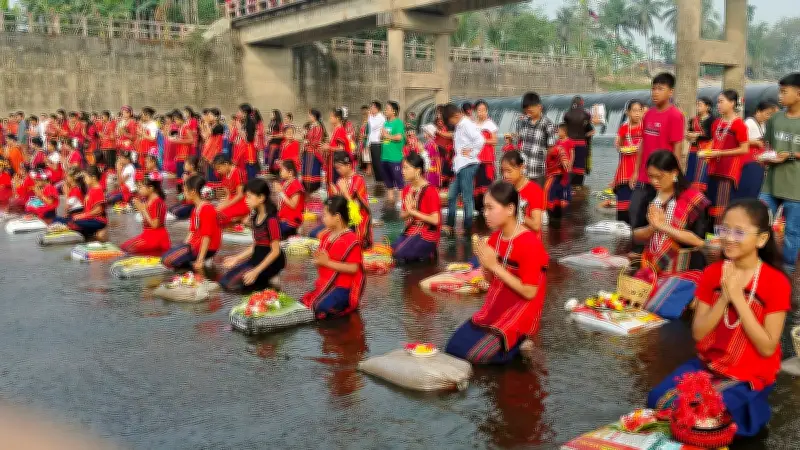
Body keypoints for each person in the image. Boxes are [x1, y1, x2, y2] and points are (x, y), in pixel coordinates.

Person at [647, 199, 789, 438]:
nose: (729, 238)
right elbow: (699, 333)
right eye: (725, 230)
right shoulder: (713, 273)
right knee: (658, 400)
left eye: (739, 232)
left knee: (706, 416)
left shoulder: (776, 282)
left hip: (749, 374)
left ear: (762, 239)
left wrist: (738, 297)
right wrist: (724, 297)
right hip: (711, 365)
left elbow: (767, 348)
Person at [445, 181, 548, 364]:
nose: (485, 213)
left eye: (490, 208)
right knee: (453, 348)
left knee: (477, 357)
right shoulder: (495, 238)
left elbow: (530, 292)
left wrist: (494, 266)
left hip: (519, 310)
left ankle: (520, 342)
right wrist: (485, 264)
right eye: (484, 208)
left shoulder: (530, 243)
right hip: (495, 307)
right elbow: (491, 280)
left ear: (510, 209)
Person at [632, 150, 709, 277]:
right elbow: (634, 235)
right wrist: (651, 229)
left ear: (674, 173)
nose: (654, 181)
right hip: (650, 265)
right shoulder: (649, 198)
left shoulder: (694, 200)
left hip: (684, 267)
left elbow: (700, 241)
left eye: (659, 177)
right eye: (650, 176)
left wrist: (663, 227)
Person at [630, 73, 686, 235]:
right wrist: (635, 170)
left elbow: (677, 148)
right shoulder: (648, 114)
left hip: (663, 177)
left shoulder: (675, 116)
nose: (655, 92)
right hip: (643, 175)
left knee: (658, 215)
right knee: (635, 211)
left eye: (660, 89)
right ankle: (637, 251)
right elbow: (643, 143)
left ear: (671, 92)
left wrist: (675, 177)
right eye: (653, 88)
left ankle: (652, 250)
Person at [759, 72, 800, 272]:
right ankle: (760, 265)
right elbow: (767, 146)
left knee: (793, 232)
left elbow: (788, 153)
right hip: (771, 183)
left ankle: (787, 273)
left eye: (784, 92)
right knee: (759, 221)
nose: (779, 96)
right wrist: (764, 156)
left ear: (798, 94)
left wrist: (791, 154)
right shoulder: (775, 118)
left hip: (796, 187)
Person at [301, 196, 365, 319]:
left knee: (320, 308)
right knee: (303, 303)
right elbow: (322, 259)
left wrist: (326, 262)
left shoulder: (351, 239)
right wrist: (318, 261)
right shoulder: (326, 236)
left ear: (337, 217)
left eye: (325, 215)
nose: (322, 218)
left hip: (343, 288)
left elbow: (353, 268)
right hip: (325, 284)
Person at [220, 178, 287, 293]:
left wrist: (256, 271)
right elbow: (256, 245)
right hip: (256, 258)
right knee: (224, 281)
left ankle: (270, 278)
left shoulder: (271, 220)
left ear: (261, 198)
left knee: (234, 286)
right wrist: (237, 258)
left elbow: (275, 251)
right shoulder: (255, 217)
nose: (246, 200)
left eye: (249, 197)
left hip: (272, 262)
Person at [705, 90, 750, 225]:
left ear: (732, 103)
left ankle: (720, 237)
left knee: (722, 205)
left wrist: (720, 153)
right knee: (711, 202)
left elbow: (744, 149)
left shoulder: (739, 124)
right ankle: (710, 236)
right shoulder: (716, 123)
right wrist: (708, 152)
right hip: (713, 168)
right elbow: (714, 142)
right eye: (717, 102)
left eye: (721, 101)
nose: (718, 105)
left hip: (728, 171)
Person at [162, 175, 221, 272]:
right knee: (167, 256)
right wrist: (183, 246)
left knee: (167, 260)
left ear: (193, 192)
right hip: (195, 245)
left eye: (185, 191)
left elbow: (207, 237)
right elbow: (192, 232)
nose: (184, 194)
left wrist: (200, 260)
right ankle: (189, 263)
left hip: (208, 248)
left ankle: (199, 263)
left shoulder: (207, 209)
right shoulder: (196, 209)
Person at [443, 103, 484, 235]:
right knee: (451, 195)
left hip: (468, 164)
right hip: (460, 165)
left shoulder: (467, 124)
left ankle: (468, 227)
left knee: (467, 198)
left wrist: (471, 153)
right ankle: (450, 224)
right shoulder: (460, 125)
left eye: (450, 121)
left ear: (455, 116)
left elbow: (480, 140)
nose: (451, 124)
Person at [393, 152, 441, 263]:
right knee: (391, 251)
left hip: (428, 234)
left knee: (400, 255)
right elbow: (402, 215)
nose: (402, 171)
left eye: (406, 168)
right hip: (411, 230)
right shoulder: (406, 190)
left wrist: (413, 212)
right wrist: (409, 212)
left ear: (418, 171)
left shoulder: (431, 190)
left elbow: (435, 220)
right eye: (402, 168)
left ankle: (430, 253)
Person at [121, 173, 171, 255]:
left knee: (129, 249)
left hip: (157, 238)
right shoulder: (147, 200)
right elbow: (147, 219)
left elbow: (155, 225)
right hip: (147, 235)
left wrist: (143, 210)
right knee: (124, 247)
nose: (138, 190)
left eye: (140, 187)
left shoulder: (157, 202)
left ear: (151, 188)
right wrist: (140, 208)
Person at [330, 151, 372, 249]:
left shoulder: (358, 180)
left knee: (342, 245)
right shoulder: (341, 180)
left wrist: (344, 192)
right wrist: (336, 195)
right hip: (344, 220)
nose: (338, 170)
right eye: (336, 168)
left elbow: (357, 210)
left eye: (339, 167)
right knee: (317, 234)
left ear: (349, 165)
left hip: (357, 222)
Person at [514, 92, 556, 187]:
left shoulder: (547, 124)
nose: (528, 111)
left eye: (530, 109)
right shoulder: (523, 122)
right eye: (526, 109)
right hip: (522, 171)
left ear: (539, 107)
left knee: (537, 199)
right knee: (522, 200)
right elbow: (520, 142)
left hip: (538, 172)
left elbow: (551, 148)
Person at [55, 166, 107, 241]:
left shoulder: (98, 190)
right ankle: (90, 235)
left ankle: (96, 232)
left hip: (98, 221)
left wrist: (82, 215)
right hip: (90, 219)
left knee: (74, 221)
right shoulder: (91, 189)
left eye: (86, 177)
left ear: (93, 178)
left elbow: (99, 210)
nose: (84, 179)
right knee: (67, 220)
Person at [741, 101, 779, 200]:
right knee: (750, 186)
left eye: (771, 115)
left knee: (756, 186)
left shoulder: (763, 124)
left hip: (758, 160)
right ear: (758, 111)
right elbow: (741, 141)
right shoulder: (749, 122)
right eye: (767, 114)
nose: (768, 117)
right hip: (749, 161)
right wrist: (756, 142)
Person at [613, 100, 644, 223]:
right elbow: (618, 145)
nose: (637, 114)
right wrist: (620, 146)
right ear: (628, 112)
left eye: (639, 111)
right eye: (634, 111)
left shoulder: (646, 127)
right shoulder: (624, 128)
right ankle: (622, 229)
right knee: (623, 201)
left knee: (638, 202)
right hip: (625, 167)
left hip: (640, 166)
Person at [501, 150, 544, 234]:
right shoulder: (506, 188)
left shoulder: (534, 190)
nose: (505, 175)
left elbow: (536, 225)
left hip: (528, 242)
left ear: (521, 167)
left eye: (509, 171)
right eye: (503, 171)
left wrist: (518, 214)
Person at [563, 96, 594, 187]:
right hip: (581, 144)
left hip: (568, 143)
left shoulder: (566, 114)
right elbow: (590, 129)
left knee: (568, 166)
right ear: (582, 103)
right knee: (580, 168)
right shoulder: (586, 115)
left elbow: (565, 127)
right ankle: (578, 187)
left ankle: (568, 186)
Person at [544, 123, 574, 218]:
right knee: (558, 185)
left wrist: (570, 163)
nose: (558, 132)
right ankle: (558, 202)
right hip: (557, 168)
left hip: (564, 166)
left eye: (559, 131)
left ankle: (566, 199)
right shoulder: (557, 142)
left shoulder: (568, 142)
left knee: (565, 183)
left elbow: (571, 154)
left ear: (564, 132)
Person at [686, 97, 715, 192]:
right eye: (697, 105)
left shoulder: (712, 120)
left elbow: (710, 136)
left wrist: (697, 135)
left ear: (707, 107)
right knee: (691, 173)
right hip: (693, 150)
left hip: (705, 150)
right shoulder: (693, 120)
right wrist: (692, 135)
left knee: (702, 176)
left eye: (700, 105)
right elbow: (688, 134)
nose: (697, 107)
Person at [474, 100, 498, 212]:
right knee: (476, 184)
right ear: (476, 112)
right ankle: (478, 208)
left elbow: (494, 141)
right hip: (475, 158)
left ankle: (488, 207)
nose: (482, 113)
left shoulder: (490, 124)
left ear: (487, 111)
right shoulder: (473, 124)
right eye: (479, 110)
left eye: (484, 110)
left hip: (486, 159)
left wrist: (482, 140)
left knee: (486, 184)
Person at [381, 101, 406, 204]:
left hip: (395, 157)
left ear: (394, 111)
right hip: (385, 157)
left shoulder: (398, 123)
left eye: (387, 109)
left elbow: (399, 137)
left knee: (399, 180)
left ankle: (401, 202)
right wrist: (382, 136)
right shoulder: (386, 123)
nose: (385, 110)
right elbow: (384, 137)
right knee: (388, 182)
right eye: (385, 108)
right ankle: (390, 202)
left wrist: (387, 136)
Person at [275, 159, 305, 239]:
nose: (280, 172)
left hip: (291, 221)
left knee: (274, 232)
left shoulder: (296, 185)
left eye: (282, 170)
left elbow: (293, 205)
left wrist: (281, 192)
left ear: (290, 172)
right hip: (282, 218)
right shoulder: (284, 183)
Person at [324, 108, 353, 191]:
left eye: (332, 116)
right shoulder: (336, 130)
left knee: (336, 184)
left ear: (338, 118)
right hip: (334, 161)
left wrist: (328, 147)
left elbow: (341, 148)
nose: (330, 118)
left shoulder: (340, 130)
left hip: (338, 162)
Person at [302, 109, 325, 193]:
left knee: (313, 170)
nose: (309, 117)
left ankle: (313, 187)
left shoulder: (318, 127)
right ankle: (307, 187)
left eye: (310, 115)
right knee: (307, 170)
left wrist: (308, 141)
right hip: (308, 151)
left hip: (314, 153)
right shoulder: (311, 126)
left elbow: (317, 141)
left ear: (314, 116)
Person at [170, 155, 199, 220]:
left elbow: (191, 193)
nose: (183, 166)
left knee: (177, 212)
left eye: (185, 164)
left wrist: (186, 181)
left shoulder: (196, 177)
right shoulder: (187, 175)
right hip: (186, 202)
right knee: (171, 209)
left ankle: (192, 212)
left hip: (193, 204)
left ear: (192, 166)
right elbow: (181, 195)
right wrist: (179, 197)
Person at [434, 105, 455, 189]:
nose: (438, 115)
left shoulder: (450, 123)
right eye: (437, 113)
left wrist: (439, 132)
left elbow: (453, 135)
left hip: (448, 153)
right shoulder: (436, 123)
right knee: (439, 176)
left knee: (447, 176)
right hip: (438, 152)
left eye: (440, 113)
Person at [170, 111, 195, 179]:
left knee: (182, 177)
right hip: (180, 156)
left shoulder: (186, 128)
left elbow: (191, 140)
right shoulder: (180, 128)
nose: (174, 123)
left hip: (184, 157)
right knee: (179, 177)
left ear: (179, 119)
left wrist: (177, 141)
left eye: (175, 121)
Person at [367, 101, 386, 183]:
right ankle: (378, 180)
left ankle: (382, 179)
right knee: (374, 163)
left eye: (372, 107)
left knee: (378, 163)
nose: (371, 109)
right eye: (371, 107)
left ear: (377, 108)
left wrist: (369, 116)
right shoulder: (372, 117)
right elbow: (370, 131)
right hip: (372, 142)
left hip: (378, 143)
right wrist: (368, 143)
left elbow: (373, 126)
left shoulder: (381, 118)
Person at [421, 124, 442, 189]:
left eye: (425, 132)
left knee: (430, 183)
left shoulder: (431, 144)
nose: (423, 133)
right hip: (430, 165)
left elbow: (428, 156)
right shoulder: (428, 143)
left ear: (429, 134)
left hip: (431, 166)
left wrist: (421, 151)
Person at [265, 109, 284, 176]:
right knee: (268, 157)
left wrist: (272, 136)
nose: (270, 115)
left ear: (276, 115)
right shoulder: (271, 122)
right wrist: (268, 135)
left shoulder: (279, 124)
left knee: (273, 157)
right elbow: (269, 132)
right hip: (270, 143)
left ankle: (275, 172)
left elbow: (282, 134)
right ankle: (270, 171)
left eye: (272, 113)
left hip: (276, 143)